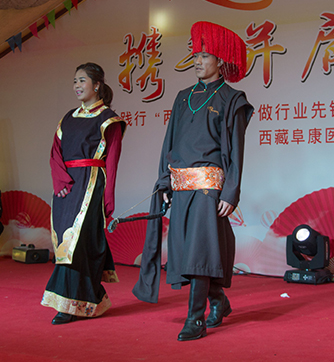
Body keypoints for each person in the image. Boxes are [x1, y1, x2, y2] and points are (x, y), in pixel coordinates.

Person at [133, 21, 254, 341]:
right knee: (187, 252)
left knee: (200, 251)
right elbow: (169, 144)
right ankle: (219, 301)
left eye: (205, 56)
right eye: (196, 55)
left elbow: (236, 151)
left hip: (209, 188)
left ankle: (195, 318)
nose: (198, 61)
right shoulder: (183, 97)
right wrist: (164, 181)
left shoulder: (232, 99)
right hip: (181, 186)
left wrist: (231, 191)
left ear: (220, 61)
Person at [41, 63, 126, 325]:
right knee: (65, 242)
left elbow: (112, 163)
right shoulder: (68, 117)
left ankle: (69, 303)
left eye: (82, 81)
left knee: (78, 244)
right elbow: (55, 152)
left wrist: (108, 198)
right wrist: (61, 180)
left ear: (97, 85)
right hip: (66, 187)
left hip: (91, 184)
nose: (77, 86)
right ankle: (90, 298)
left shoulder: (109, 119)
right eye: (75, 81)